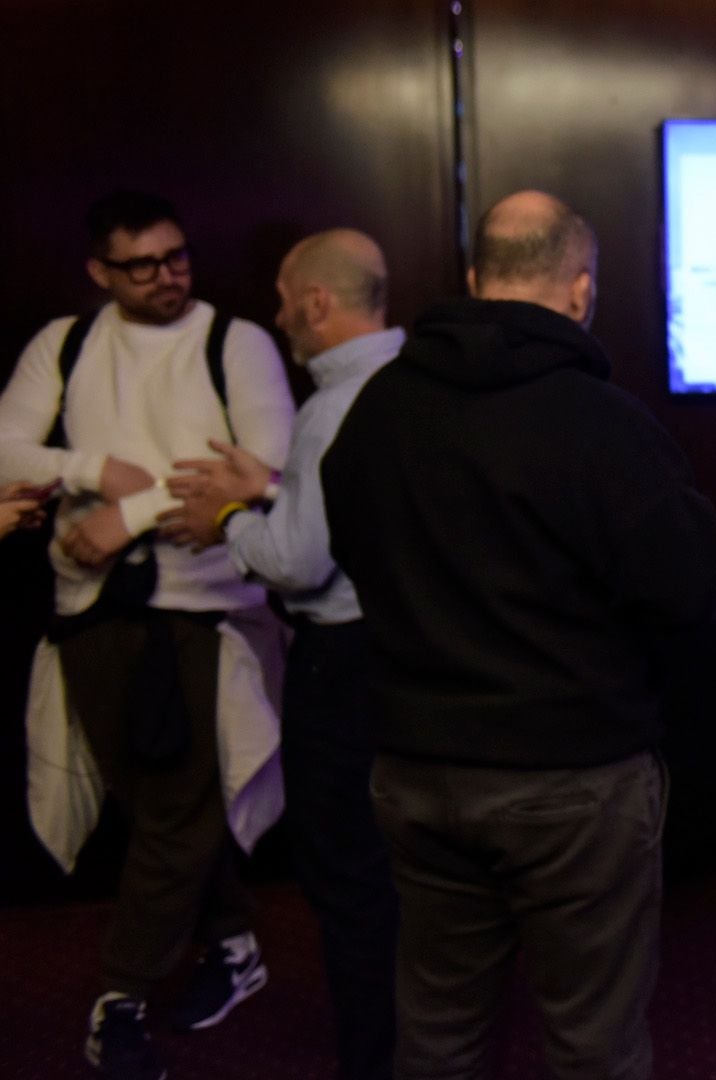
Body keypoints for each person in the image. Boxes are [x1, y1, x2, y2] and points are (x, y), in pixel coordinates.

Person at [321, 190, 716, 1080]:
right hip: (574, 781)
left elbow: (350, 549)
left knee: (438, 1033)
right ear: (581, 288)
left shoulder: (380, 409)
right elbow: (688, 588)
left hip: (417, 773)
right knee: (592, 1042)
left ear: (474, 280)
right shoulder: (601, 423)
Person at [0, 190, 294, 1080]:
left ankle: (120, 996)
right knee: (152, 805)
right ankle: (234, 945)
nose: (168, 276)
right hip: (92, 608)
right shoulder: (66, 342)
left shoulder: (235, 341)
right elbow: (5, 448)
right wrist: (93, 468)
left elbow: (265, 469)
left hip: (207, 610)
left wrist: (125, 512)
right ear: (100, 271)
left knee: (176, 812)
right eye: (143, 265)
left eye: (177, 256)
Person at [159, 228, 404, 1080]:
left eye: (282, 300)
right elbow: (358, 509)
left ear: (317, 304)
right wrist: (273, 488)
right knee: (399, 871)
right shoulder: (413, 380)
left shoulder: (331, 407)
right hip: (409, 661)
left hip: (342, 667)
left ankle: (373, 1061)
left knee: (347, 879)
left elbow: (299, 562)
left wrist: (229, 517)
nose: (276, 317)